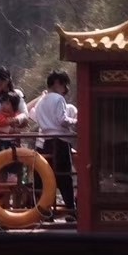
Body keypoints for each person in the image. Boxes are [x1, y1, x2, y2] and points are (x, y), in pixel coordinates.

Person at [31, 70, 76, 215]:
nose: (65, 88)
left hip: (45, 142)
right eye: (64, 84)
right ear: (57, 83)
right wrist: (76, 121)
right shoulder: (58, 99)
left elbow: (34, 116)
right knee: (64, 177)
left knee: (45, 177)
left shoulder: (41, 101)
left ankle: (45, 211)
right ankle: (71, 210)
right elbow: (62, 120)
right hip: (60, 141)